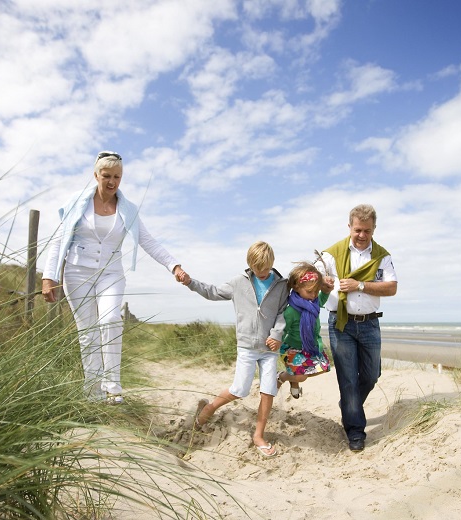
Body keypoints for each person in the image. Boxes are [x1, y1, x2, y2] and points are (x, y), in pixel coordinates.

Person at [41, 151, 189, 403]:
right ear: (96, 175)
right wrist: (49, 276)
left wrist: (173, 265)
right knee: (87, 331)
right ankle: (92, 392)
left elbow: (148, 241)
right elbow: (58, 241)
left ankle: (113, 387)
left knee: (110, 320)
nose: (111, 182)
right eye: (106, 176)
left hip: (111, 273)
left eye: (117, 177)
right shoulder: (77, 202)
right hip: (77, 272)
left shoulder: (128, 209)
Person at [182, 241, 288, 457]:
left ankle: (258, 435)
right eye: (258, 269)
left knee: (269, 391)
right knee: (240, 389)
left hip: (269, 349)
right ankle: (210, 408)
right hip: (247, 347)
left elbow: (283, 313)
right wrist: (190, 282)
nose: (262, 272)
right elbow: (211, 291)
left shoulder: (281, 285)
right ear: (250, 264)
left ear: (272, 264)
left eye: (266, 268)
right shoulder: (238, 283)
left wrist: (277, 335)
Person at [318, 204, 398, 452]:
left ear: (374, 229)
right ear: (349, 227)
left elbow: (391, 287)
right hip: (341, 323)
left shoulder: (382, 256)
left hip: (370, 323)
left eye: (367, 230)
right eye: (357, 230)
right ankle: (355, 432)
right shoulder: (331, 254)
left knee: (372, 375)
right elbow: (312, 279)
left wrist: (360, 285)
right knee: (349, 380)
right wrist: (323, 282)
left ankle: (349, 407)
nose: (362, 235)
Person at [276, 262, 332, 399]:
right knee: (301, 376)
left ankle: (293, 378)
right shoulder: (291, 311)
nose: (313, 295)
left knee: (323, 368)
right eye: (309, 292)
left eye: (315, 291)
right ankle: (281, 377)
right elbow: (282, 330)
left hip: (309, 346)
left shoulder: (314, 303)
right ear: (296, 287)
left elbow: (323, 297)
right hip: (292, 348)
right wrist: (276, 344)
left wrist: (326, 289)